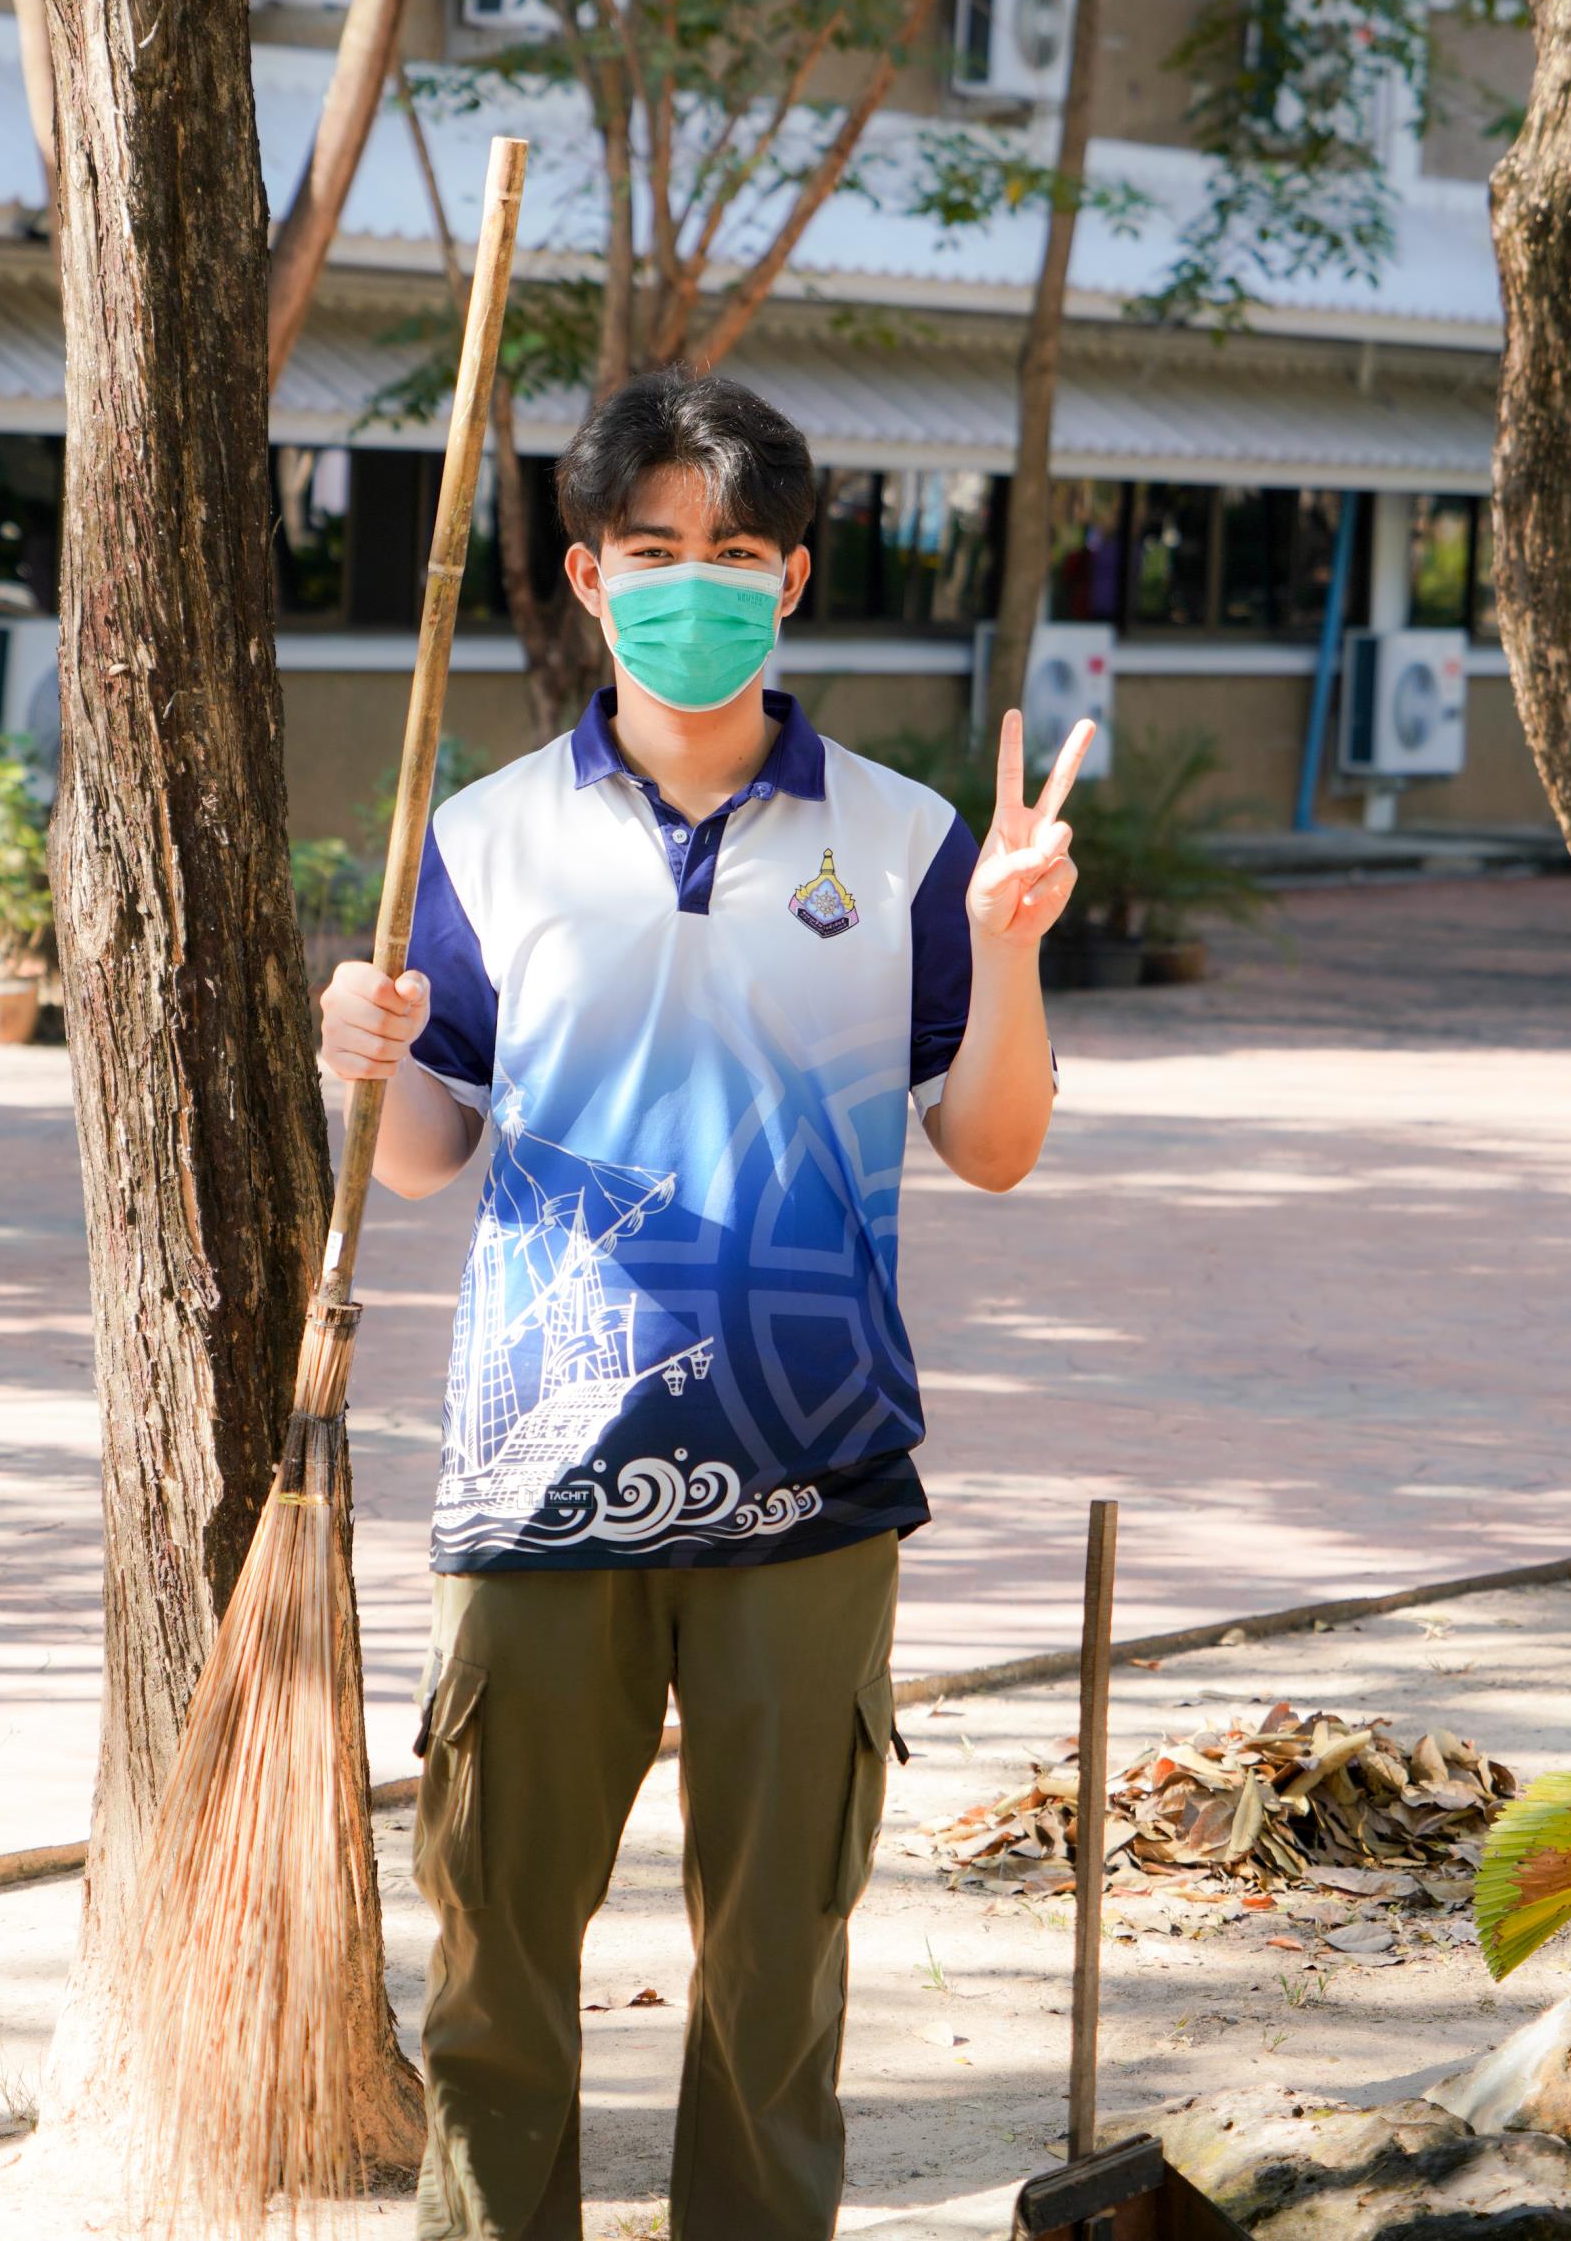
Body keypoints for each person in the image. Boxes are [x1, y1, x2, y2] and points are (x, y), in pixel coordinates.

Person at [320, 367, 1091, 2241]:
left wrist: (1006, 948)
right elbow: (424, 1156)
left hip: (811, 1473)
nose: (695, 583)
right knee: (497, 1966)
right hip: (535, 1470)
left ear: (794, 578)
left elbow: (992, 1147)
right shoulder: (484, 833)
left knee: (776, 1978)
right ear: (588, 574)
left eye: (735, 551)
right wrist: (362, 1048)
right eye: (653, 547)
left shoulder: (909, 843)